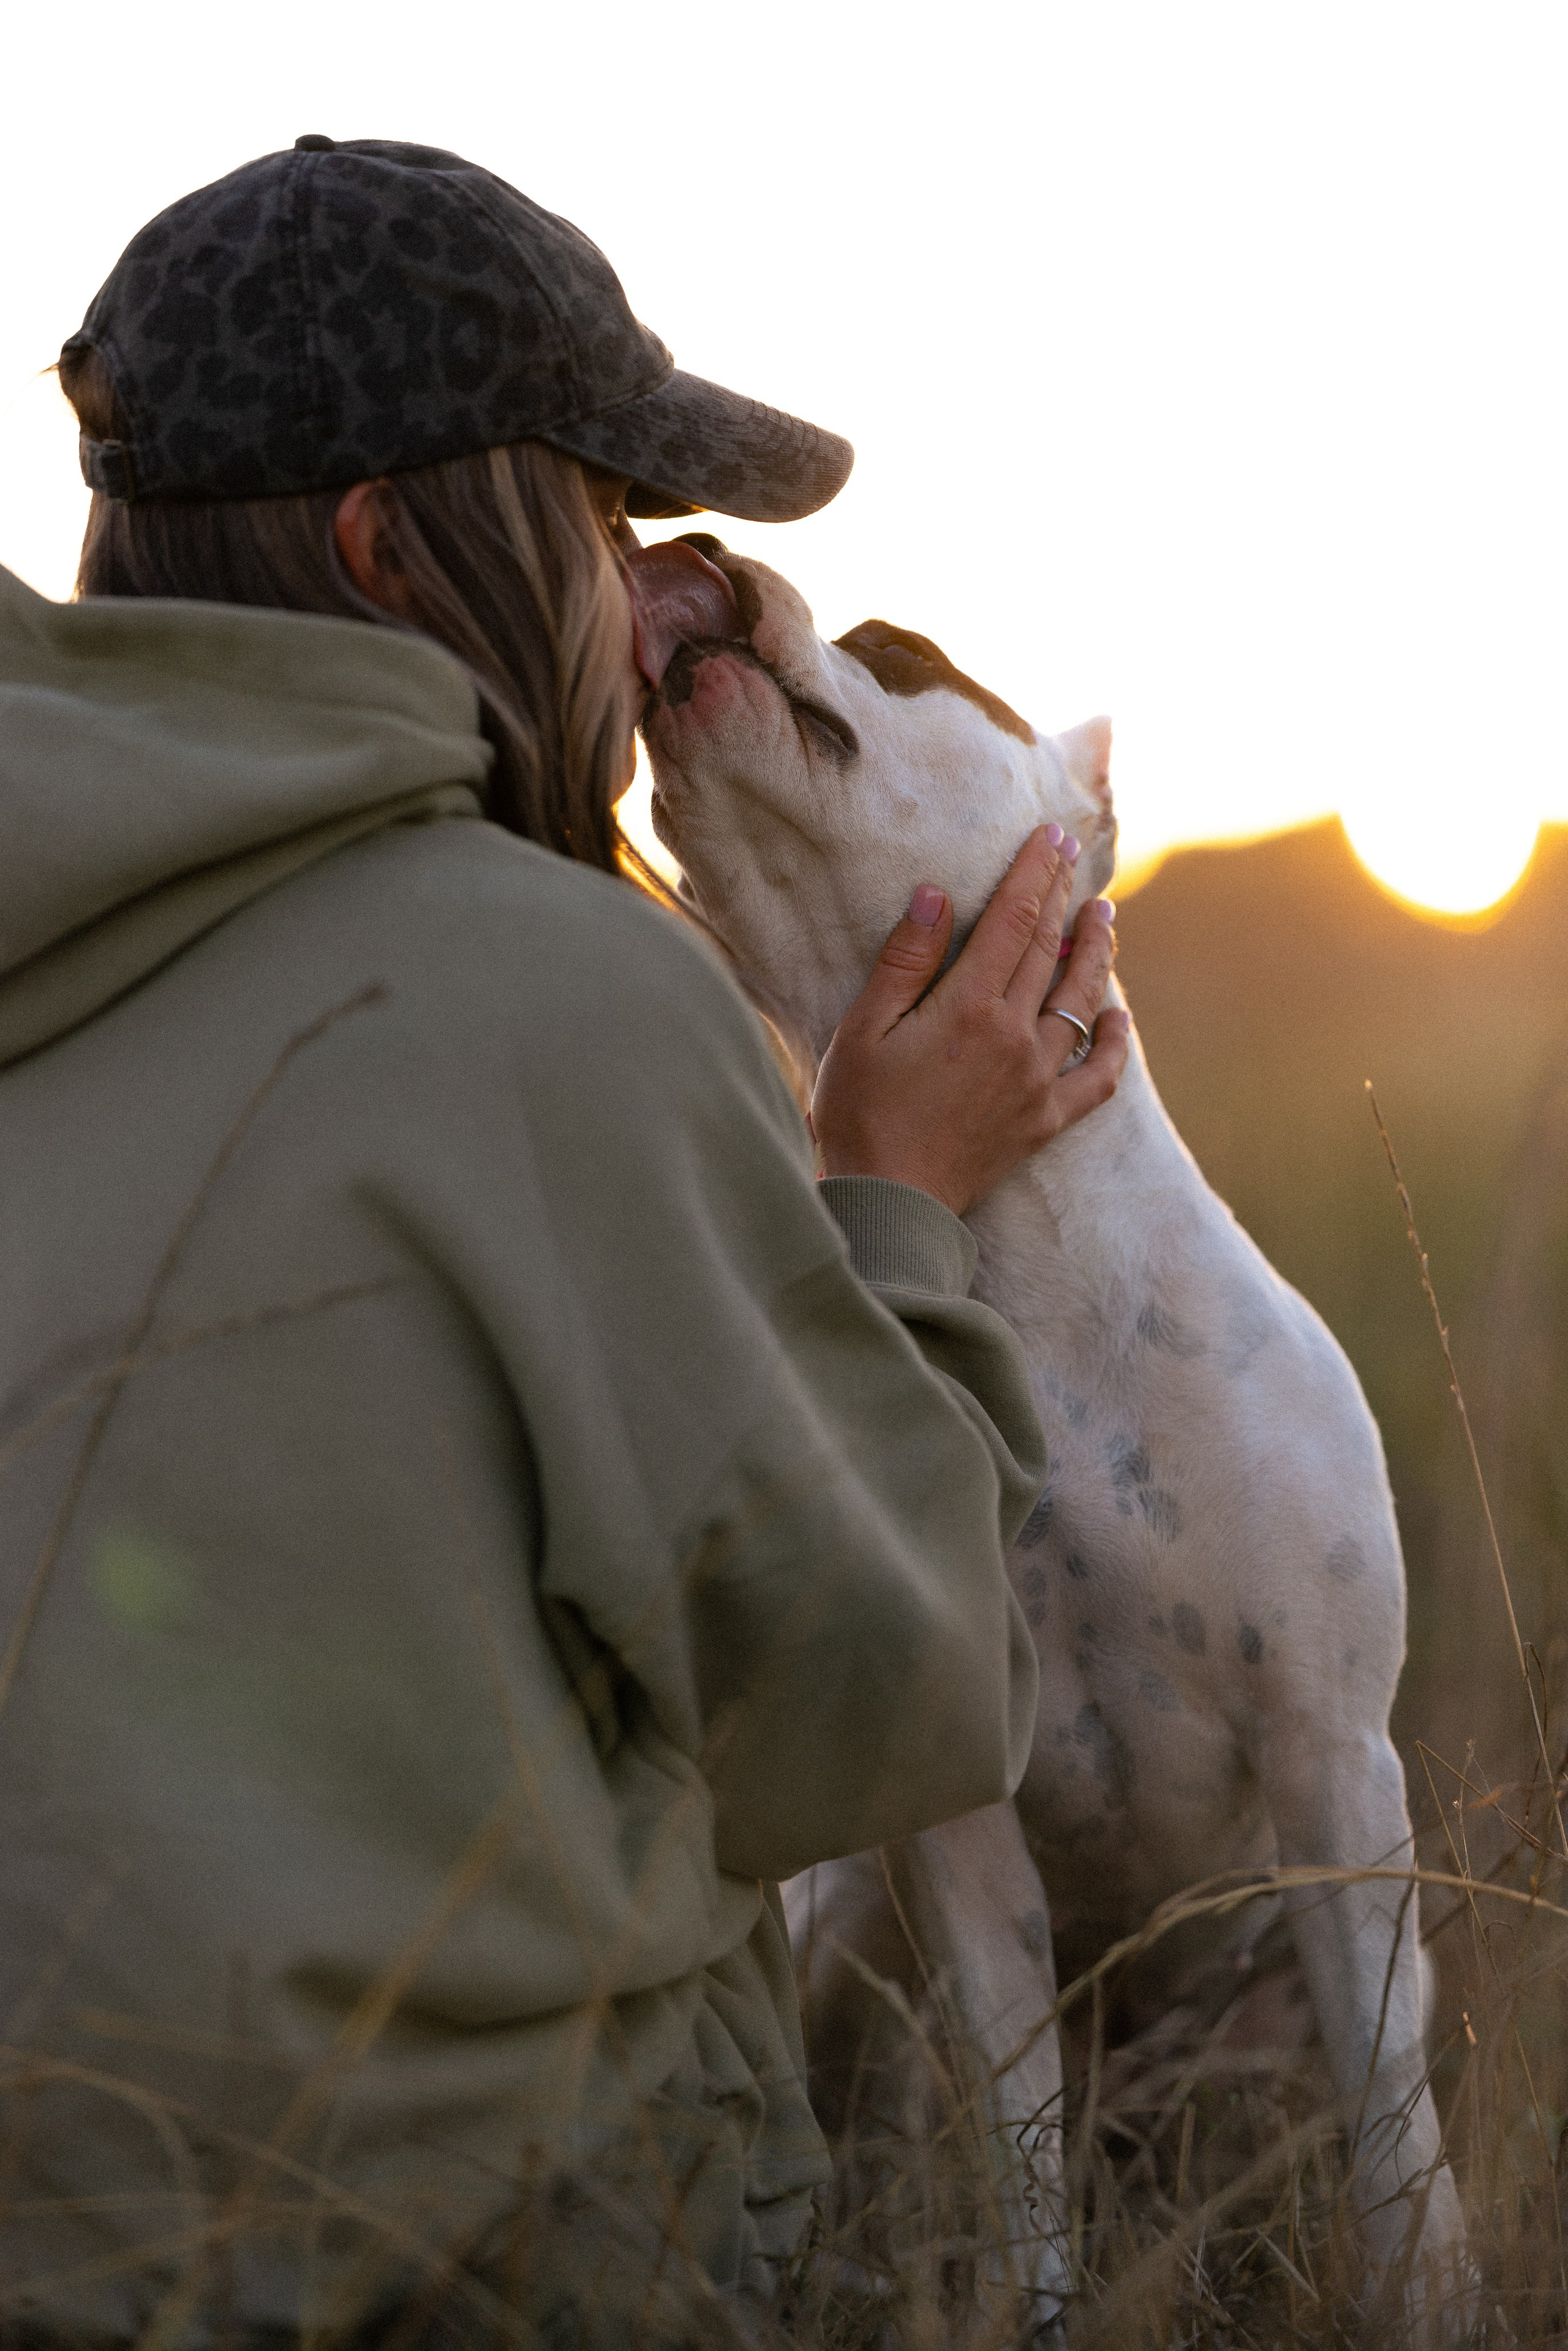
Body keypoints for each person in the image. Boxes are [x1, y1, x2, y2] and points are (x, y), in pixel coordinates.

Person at [0, 138, 1128, 2347]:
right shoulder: (560, 999)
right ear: (386, 547)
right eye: (602, 525)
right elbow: (880, 1710)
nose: (637, 596)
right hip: (462, 2267)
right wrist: (881, 1208)